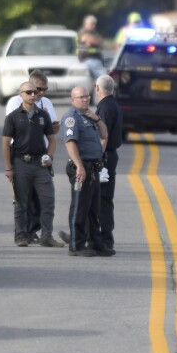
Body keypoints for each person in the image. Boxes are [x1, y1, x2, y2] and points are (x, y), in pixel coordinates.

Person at [2, 82, 64, 248]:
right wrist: (8, 167)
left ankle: (46, 236)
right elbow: (5, 143)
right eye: (28, 92)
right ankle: (21, 235)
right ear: (20, 94)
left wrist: (49, 156)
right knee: (21, 202)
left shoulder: (43, 115)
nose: (32, 95)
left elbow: (51, 140)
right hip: (21, 162)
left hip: (40, 163)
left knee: (48, 199)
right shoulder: (13, 117)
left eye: (34, 92)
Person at [60, 86, 110, 257]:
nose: (85, 99)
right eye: (81, 97)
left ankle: (95, 243)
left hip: (94, 168)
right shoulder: (71, 118)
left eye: (87, 96)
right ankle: (76, 245)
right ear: (73, 99)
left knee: (93, 209)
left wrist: (97, 119)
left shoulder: (89, 117)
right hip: (82, 168)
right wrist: (80, 166)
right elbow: (70, 143)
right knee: (80, 207)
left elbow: (105, 135)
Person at [94, 74, 123, 252]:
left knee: (102, 198)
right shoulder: (114, 104)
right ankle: (92, 234)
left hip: (104, 156)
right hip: (110, 155)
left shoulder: (104, 108)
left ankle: (105, 239)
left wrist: (96, 157)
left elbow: (102, 137)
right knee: (103, 198)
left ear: (98, 89)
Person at [77, 14, 106, 81]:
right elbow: (95, 41)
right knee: (104, 78)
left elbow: (101, 43)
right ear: (85, 24)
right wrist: (94, 41)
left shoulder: (94, 33)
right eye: (92, 24)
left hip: (97, 59)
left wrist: (93, 42)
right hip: (88, 58)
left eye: (94, 24)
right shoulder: (82, 32)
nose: (94, 26)